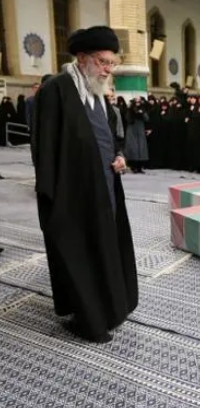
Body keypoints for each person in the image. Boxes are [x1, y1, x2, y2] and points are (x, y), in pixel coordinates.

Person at [30, 26, 138, 343]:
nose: (108, 69)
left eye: (112, 63)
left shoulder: (97, 91)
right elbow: (44, 147)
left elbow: (107, 137)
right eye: (103, 62)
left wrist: (119, 157)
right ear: (82, 58)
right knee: (79, 253)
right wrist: (50, 197)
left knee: (103, 248)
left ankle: (107, 310)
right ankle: (89, 319)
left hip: (104, 189)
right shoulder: (57, 90)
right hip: (71, 194)